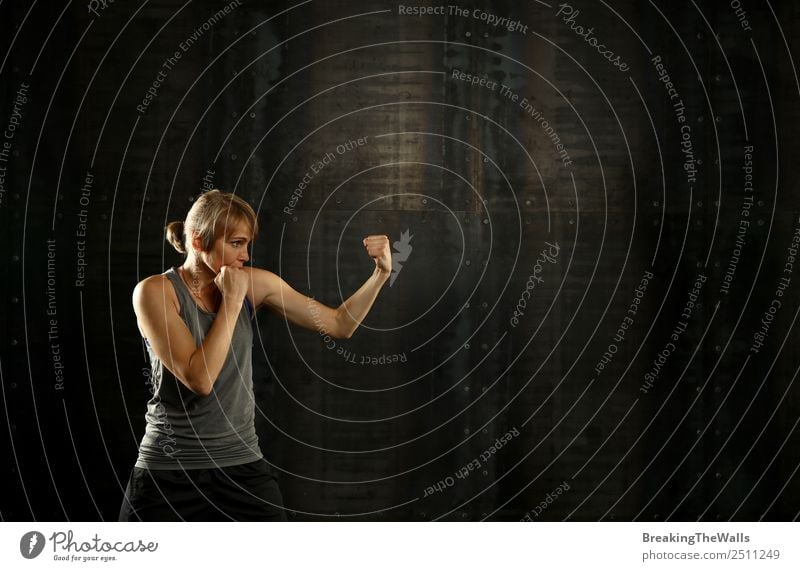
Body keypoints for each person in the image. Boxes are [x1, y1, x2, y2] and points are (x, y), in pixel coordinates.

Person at [118, 189, 391, 521]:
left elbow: (338, 324)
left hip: (241, 467)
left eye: (247, 244)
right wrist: (232, 303)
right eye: (235, 243)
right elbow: (200, 379)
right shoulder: (155, 292)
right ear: (198, 242)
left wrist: (380, 275)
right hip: (169, 471)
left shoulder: (253, 284)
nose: (245, 255)